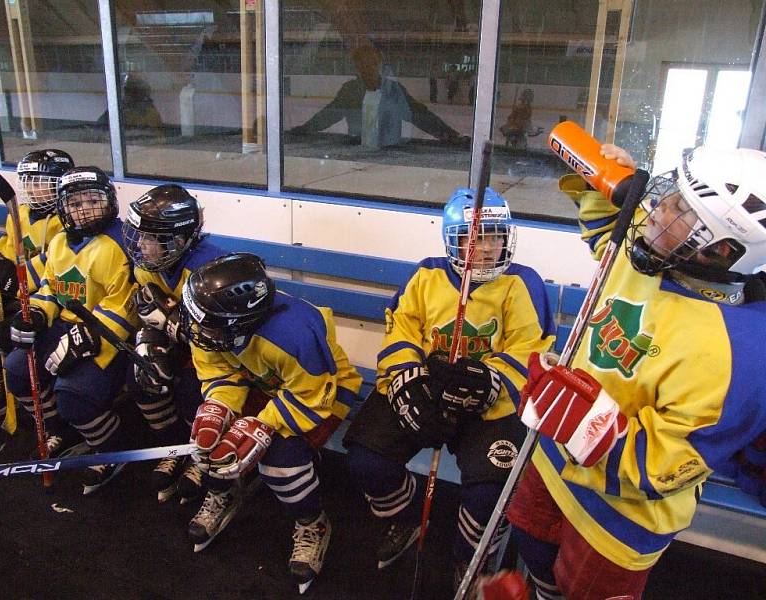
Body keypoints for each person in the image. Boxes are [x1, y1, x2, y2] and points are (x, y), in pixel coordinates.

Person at [505, 144, 766, 599]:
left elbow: (666, 465)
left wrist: (582, 428)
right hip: (549, 460)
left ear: (723, 250)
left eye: (681, 209)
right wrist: (601, 183)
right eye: (670, 193)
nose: (657, 209)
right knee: (532, 544)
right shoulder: (656, 252)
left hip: (620, 517)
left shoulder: (742, 353)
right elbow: (609, 234)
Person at [343, 187, 555, 590]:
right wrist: (406, 379)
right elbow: (400, 329)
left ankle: (468, 557)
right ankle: (404, 520)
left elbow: (533, 351)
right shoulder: (426, 274)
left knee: (491, 492)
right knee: (366, 459)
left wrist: (493, 380)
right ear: (453, 239)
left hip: (490, 405)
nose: (489, 248)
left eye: (496, 237)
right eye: (477, 238)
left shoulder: (523, 283)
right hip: (427, 388)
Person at [178, 252, 362, 593]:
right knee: (207, 436)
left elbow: (313, 394)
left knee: (280, 460)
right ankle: (223, 492)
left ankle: (312, 523)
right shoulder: (219, 322)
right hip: (263, 385)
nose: (195, 329)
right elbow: (221, 372)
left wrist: (261, 426)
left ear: (238, 321)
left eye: (205, 324)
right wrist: (217, 407)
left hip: (322, 393)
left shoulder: (295, 332)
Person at [0, 166, 139, 494]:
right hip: (64, 326)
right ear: (64, 209)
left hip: (108, 338)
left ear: (110, 202)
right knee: (17, 370)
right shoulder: (61, 241)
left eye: (93, 200)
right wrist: (34, 313)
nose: (85, 209)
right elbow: (51, 287)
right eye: (76, 204)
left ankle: (110, 448)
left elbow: (127, 307)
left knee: (75, 397)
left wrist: (88, 338)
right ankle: (65, 428)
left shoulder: (123, 243)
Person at [121, 184, 224, 504]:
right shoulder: (147, 266)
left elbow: (221, 339)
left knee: (192, 391)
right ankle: (173, 446)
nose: (140, 244)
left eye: (149, 238)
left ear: (177, 241)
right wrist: (150, 339)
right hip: (182, 342)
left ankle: (197, 456)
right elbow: (151, 310)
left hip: (216, 355)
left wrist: (169, 324)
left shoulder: (211, 270)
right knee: (140, 379)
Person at [0, 149, 73, 423]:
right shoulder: (22, 212)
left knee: (6, 334)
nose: (31, 189)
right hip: (19, 289)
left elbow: (52, 267)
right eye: (27, 181)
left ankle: (41, 394)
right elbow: (4, 252)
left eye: (38, 182)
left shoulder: (69, 220)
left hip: (47, 300)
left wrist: (9, 276)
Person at [290, 45, 468, 146]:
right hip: (357, 150)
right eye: (363, 64)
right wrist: (305, 129)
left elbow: (420, 115)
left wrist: (450, 135)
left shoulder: (393, 89)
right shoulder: (350, 91)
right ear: (357, 66)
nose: (368, 67)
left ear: (378, 64)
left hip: (389, 151)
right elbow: (328, 115)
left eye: (372, 63)